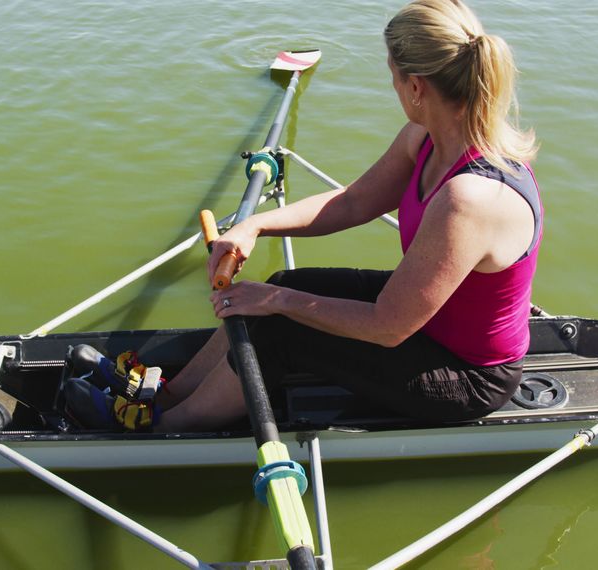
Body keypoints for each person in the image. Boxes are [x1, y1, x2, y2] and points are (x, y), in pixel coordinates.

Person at [71, 0, 542, 432]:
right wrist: (253, 225)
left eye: (393, 75)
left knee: (279, 326)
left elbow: (388, 326)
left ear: (416, 86)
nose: (392, 86)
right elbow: (354, 203)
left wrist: (275, 301)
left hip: (467, 375)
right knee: (286, 282)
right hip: (426, 325)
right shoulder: (424, 138)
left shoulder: (470, 198)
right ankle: (167, 392)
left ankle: (166, 427)